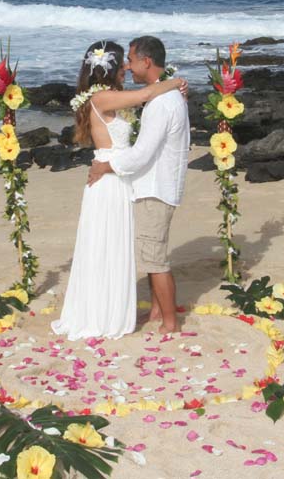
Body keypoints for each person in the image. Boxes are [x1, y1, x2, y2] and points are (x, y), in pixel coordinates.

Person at [51, 40, 186, 340]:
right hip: (110, 177)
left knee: (117, 246)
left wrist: (172, 92)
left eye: (130, 61)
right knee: (106, 246)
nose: (126, 67)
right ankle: (103, 313)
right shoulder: (102, 98)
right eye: (123, 62)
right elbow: (149, 93)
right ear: (110, 68)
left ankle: (128, 309)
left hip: (121, 176)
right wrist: (175, 82)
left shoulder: (113, 98)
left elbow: (147, 101)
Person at [87, 36, 190, 334]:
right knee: (151, 254)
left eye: (131, 59)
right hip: (159, 185)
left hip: (155, 188)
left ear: (146, 61)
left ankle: (170, 324)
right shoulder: (167, 97)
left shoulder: (161, 103)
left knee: (155, 260)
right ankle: (158, 312)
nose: (128, 65)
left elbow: (142, 154)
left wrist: (106, 165)